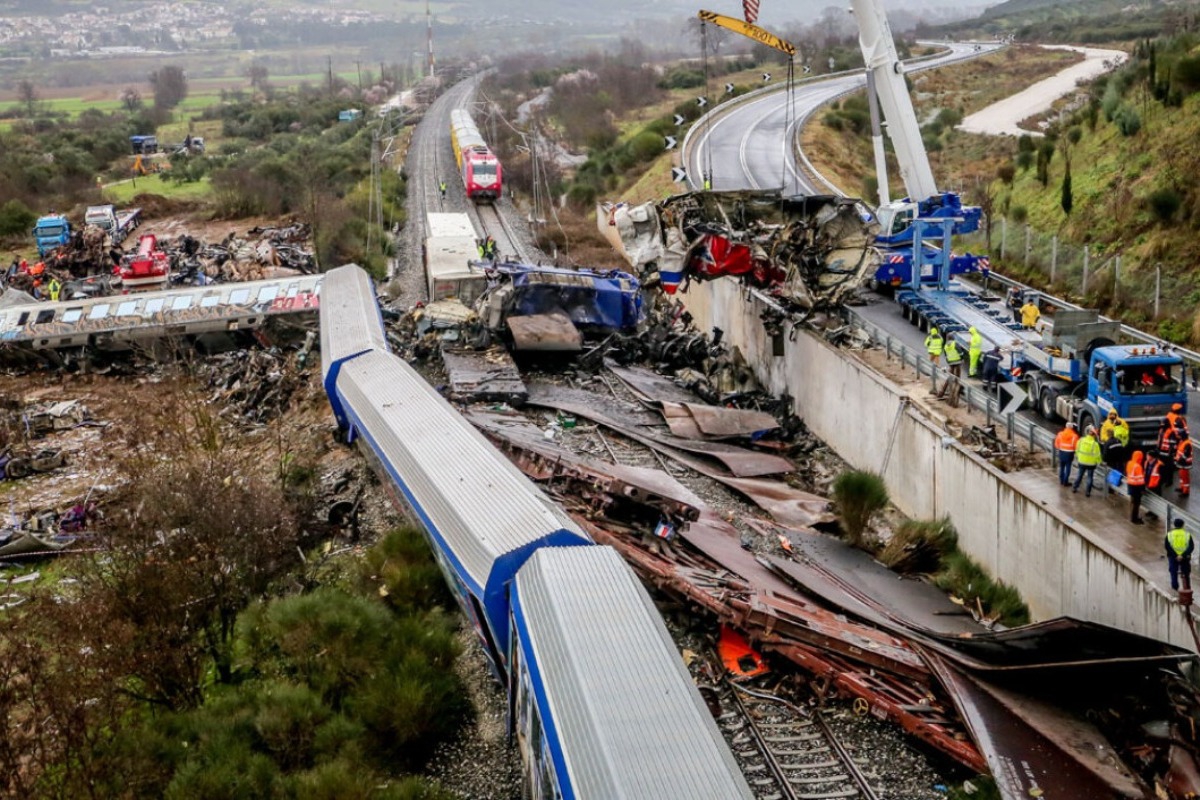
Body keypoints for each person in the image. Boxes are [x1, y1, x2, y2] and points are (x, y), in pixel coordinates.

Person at [1072, 425, 1103, 496]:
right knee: (1090, 477)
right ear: (1094, 436)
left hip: (1081, 462)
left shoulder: (1081, 440)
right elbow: (1097, 455)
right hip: (1091, 464)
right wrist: (1099, 462)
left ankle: (1074, 488)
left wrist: (1078, 457)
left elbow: (1077, 450)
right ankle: (1088, 492)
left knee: (1079, 475)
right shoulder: (1095, 444)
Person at [1166, 519, 1194, 592]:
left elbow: (1167, 547)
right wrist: (1183, 555)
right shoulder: (1187, 534)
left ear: (1174, 525)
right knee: (1186, 573)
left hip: (1173, 557)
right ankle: (1187, 589)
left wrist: (1176, 555)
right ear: (1183, 525)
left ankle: (1175, 588)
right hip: (1185, 558)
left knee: (1173, 572)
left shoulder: (1170, 534)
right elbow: (1191, 547)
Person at [1157, 419, 1182, 490]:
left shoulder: (1171, 432)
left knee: (1169, 468)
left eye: (1163, 424)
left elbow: (1172, 443)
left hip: (1167, 453)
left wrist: (1170, 453)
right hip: (1161, 451)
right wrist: (1157, 449)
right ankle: (1162, 479)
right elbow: (1159, 440)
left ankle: (1169, 481)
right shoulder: (1161, 430)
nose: (1162, 426)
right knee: (1161, 467)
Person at [1054, 421, 1079, 486]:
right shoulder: (1074, 436)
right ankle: (1065, 481)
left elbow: (1056, 444)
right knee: (1068, 467)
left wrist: (1060, 448)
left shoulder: (1060, 434)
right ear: (1072, 428)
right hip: (1069, 454)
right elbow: (1076, 447)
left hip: (1061, 452)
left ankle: (1061, 480)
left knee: (1062, 467)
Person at [938, 338, 964, 402]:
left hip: (951, 363)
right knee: (957, 378)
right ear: (953, 338)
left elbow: (946, 356)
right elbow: (960, 353)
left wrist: (949, 362)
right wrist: (962, 359)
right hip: (958, 362)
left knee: (950, 377)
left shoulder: (946, 345)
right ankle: (955, 395)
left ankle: (941, 393)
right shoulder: (955, 344)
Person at [1126, 451, 1146, 524]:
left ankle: (1133, 517)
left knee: (1132, 502)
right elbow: (1141, 480)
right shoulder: (1138, 466)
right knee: (1136, 504)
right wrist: (1142, 489)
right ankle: (1134, 519)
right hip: (1136, 487)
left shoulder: (1129, 463)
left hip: (1130, 484)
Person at [1175, 421, 1193, 497]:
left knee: (1185, 479)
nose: (1178, 436)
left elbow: (1186, 454)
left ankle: (1186, 492)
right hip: (1181, 463)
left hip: (1185, 464)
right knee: (1181, 476)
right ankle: (1182, 488)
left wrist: (1179, 460)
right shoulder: (1183, 441)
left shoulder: (1187, 443)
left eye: (1179, 435)